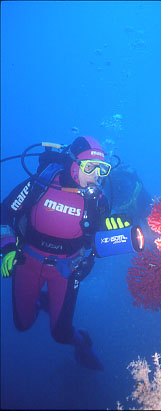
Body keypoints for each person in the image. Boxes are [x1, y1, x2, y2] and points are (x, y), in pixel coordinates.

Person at [0, 136, 130, 370]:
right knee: (22, 324)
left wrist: (109, 236)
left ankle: (82, 344)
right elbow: (4, 212)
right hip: (27, 261)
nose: (96, 175)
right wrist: (8, 247)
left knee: (60, 333)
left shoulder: (97, 201)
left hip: (65, 270)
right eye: (89, 167)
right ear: (72, 164)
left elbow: (96, 242)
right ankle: (44, 301)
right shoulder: (41, 183)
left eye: (101, 169)